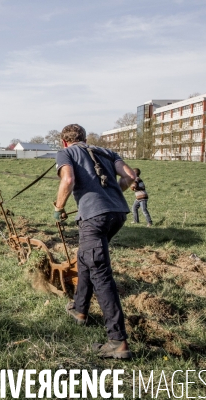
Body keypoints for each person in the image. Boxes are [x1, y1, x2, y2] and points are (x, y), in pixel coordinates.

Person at [53, 124, 136, 359]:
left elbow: (67, 180)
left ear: (64, 142)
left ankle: (117, 340)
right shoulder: (106, 152)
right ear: (85, 138)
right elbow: (130, 176)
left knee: (100, 272)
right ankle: (80, 310)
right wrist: (112, 194)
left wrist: (59, 208)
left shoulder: (66, 153)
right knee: (86, 259)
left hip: (94, 217)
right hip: (117, 214)